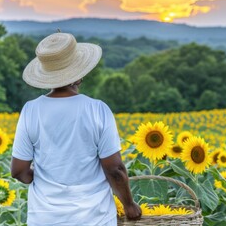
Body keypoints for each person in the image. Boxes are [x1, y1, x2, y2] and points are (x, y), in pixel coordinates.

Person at [10, 32, 141, 226]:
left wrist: (48, 179)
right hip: (94, 217)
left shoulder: (30, 110)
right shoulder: (97, 110)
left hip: (44, 218)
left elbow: (18, 171)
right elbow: (115, 169)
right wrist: (129, 205)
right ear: (78, 75)